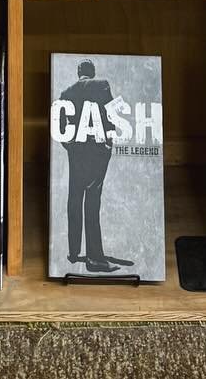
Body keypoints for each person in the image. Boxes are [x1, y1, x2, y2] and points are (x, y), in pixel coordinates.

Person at [58, 60, 127, 273]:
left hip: (76, 151)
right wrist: (108, 145)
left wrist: (71, 146)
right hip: (96, 151)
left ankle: (73, 252)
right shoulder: (102, 85)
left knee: (74, 198)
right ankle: (95, 258)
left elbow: (60, 127)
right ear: (93, 72)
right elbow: (110, 116)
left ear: (79, 72)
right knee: (92, 202)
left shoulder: (66, 92)